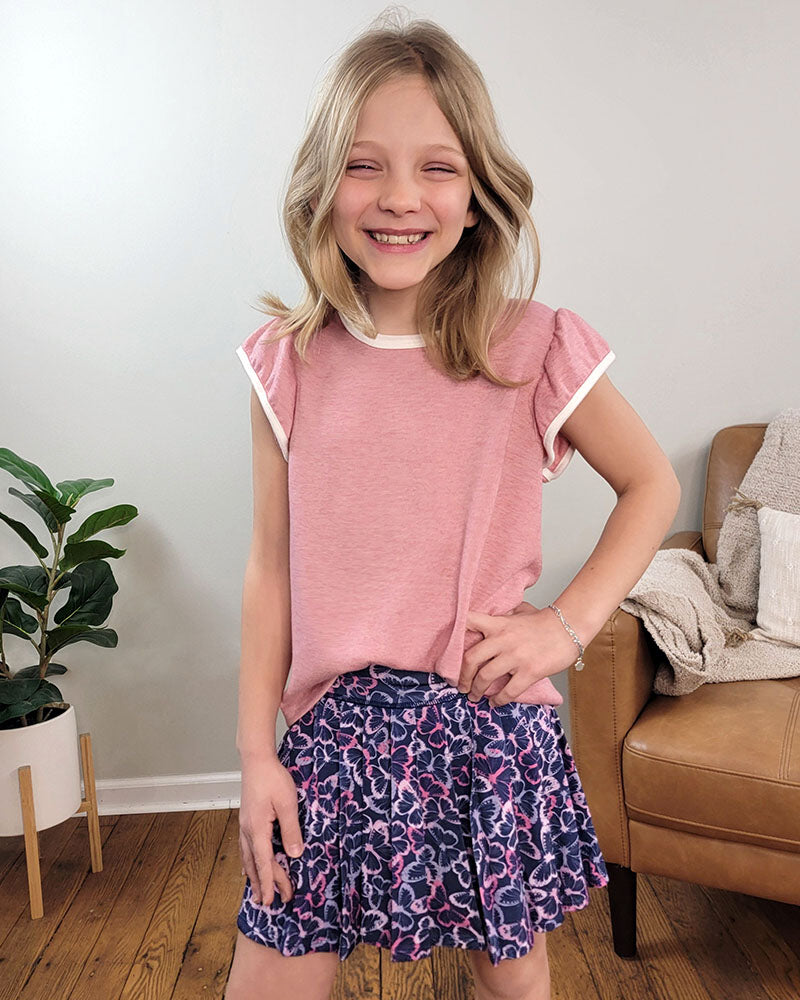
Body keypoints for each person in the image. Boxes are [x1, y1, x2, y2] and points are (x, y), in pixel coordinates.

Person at [225, 10, 681, 1000]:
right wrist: (256, 751)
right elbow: (268, 569)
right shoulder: (284, 365)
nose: (398, 198)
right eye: (363, 165)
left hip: (484, 731)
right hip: (328, 739)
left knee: (510, 985)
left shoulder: (536, 345)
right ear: (320, 187)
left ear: (476, 193)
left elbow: (652, 484)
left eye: (436, 167)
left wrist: (566, 624)